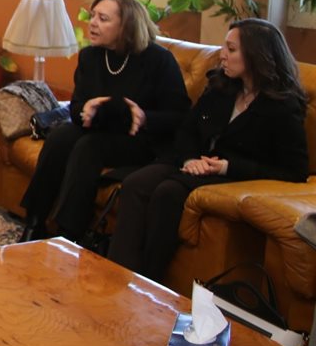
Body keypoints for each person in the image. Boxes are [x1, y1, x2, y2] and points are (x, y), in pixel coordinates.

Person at [109, 18, 309, 281]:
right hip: (192, 164)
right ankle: (117, 273)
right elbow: (187, 129)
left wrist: (226, 167)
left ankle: (149, 279)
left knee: (167, 192)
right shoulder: (221, 85)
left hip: (231, 176)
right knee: (136, 183)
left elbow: (295, 171)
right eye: (224, 47)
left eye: (231, 49)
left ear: (257, 55)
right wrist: (190, 158)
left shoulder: (282, 106)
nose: (222, 55)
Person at [20, 0, 189, 242]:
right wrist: (84, 111)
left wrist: (145, 118)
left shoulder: (158, 60)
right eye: (93, 16)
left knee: (89, 146)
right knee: (60, 136)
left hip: (141, 139)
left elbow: (180, 116)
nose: (93, 23)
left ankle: (68, 234)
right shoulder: (91, 56)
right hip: (101, 128)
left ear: (126, 26)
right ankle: (35, 221)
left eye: (103, 19)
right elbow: (76, 107)